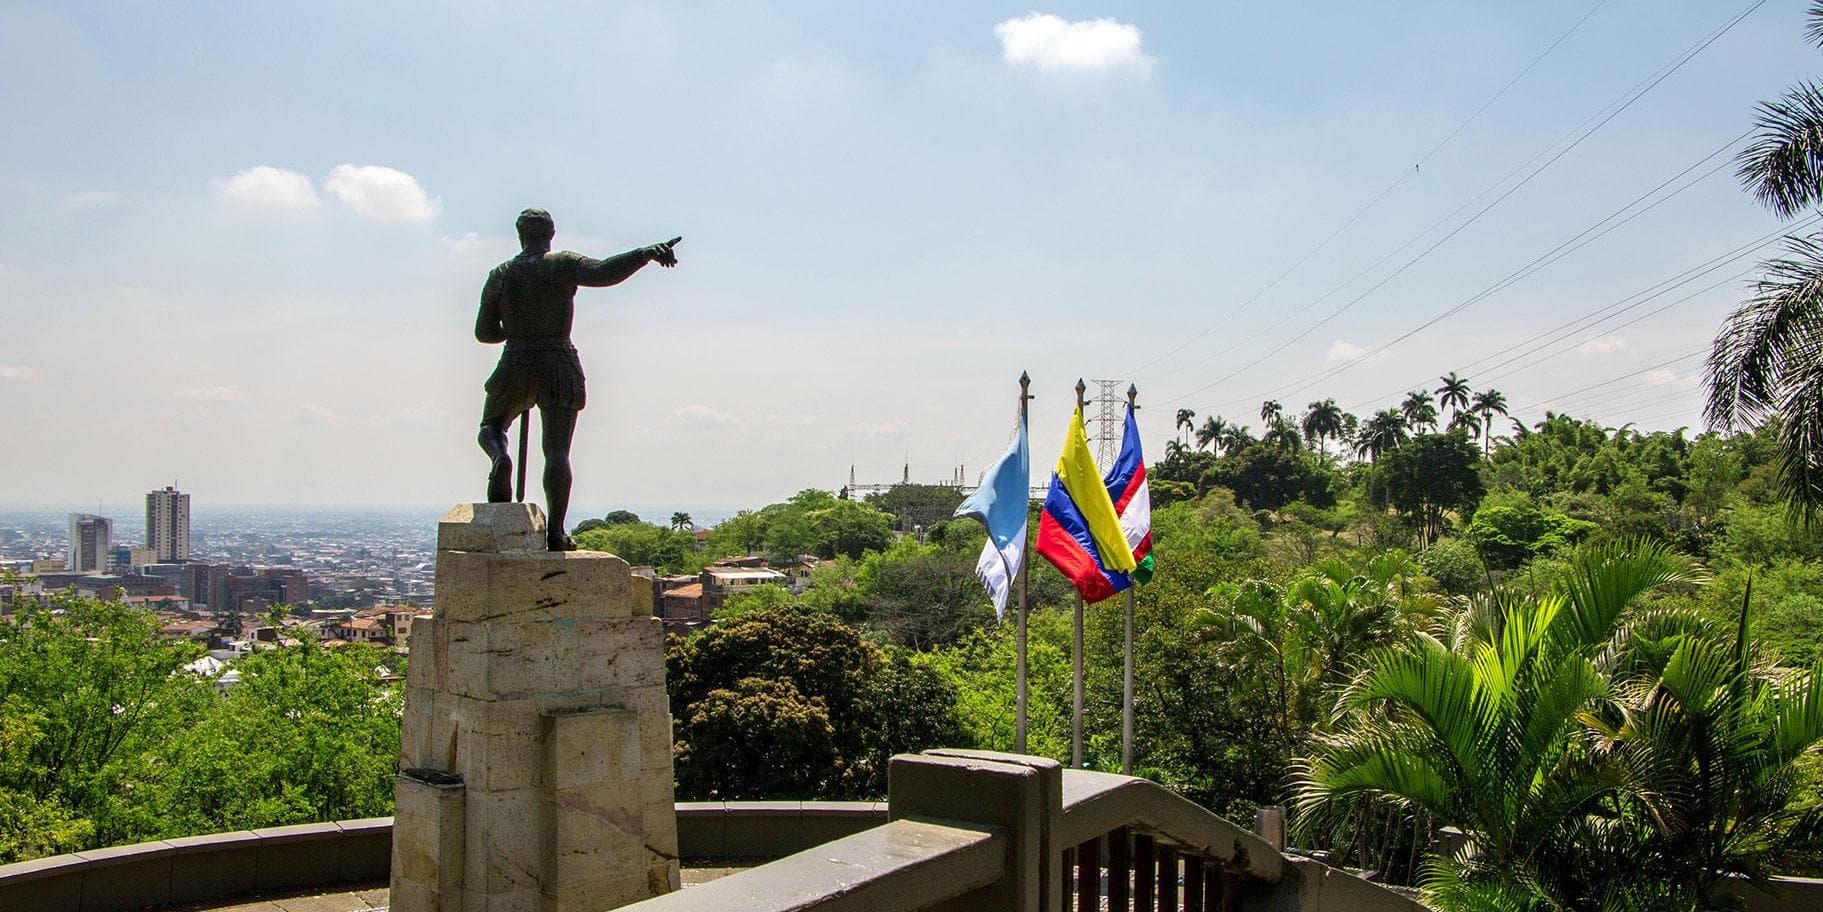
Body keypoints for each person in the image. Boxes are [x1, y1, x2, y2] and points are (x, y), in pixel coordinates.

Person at [474, 208, 679, 550]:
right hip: (558, 360)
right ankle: (555, 532)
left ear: (520, 234)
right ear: (550, 233)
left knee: (491, 427)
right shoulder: (561, 263)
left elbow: (484, 332)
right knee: (557, 451)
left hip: (516, 360)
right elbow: (603, 272)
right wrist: (644, 254)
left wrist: (516, 332)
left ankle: (499, 457)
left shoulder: (501, 274)